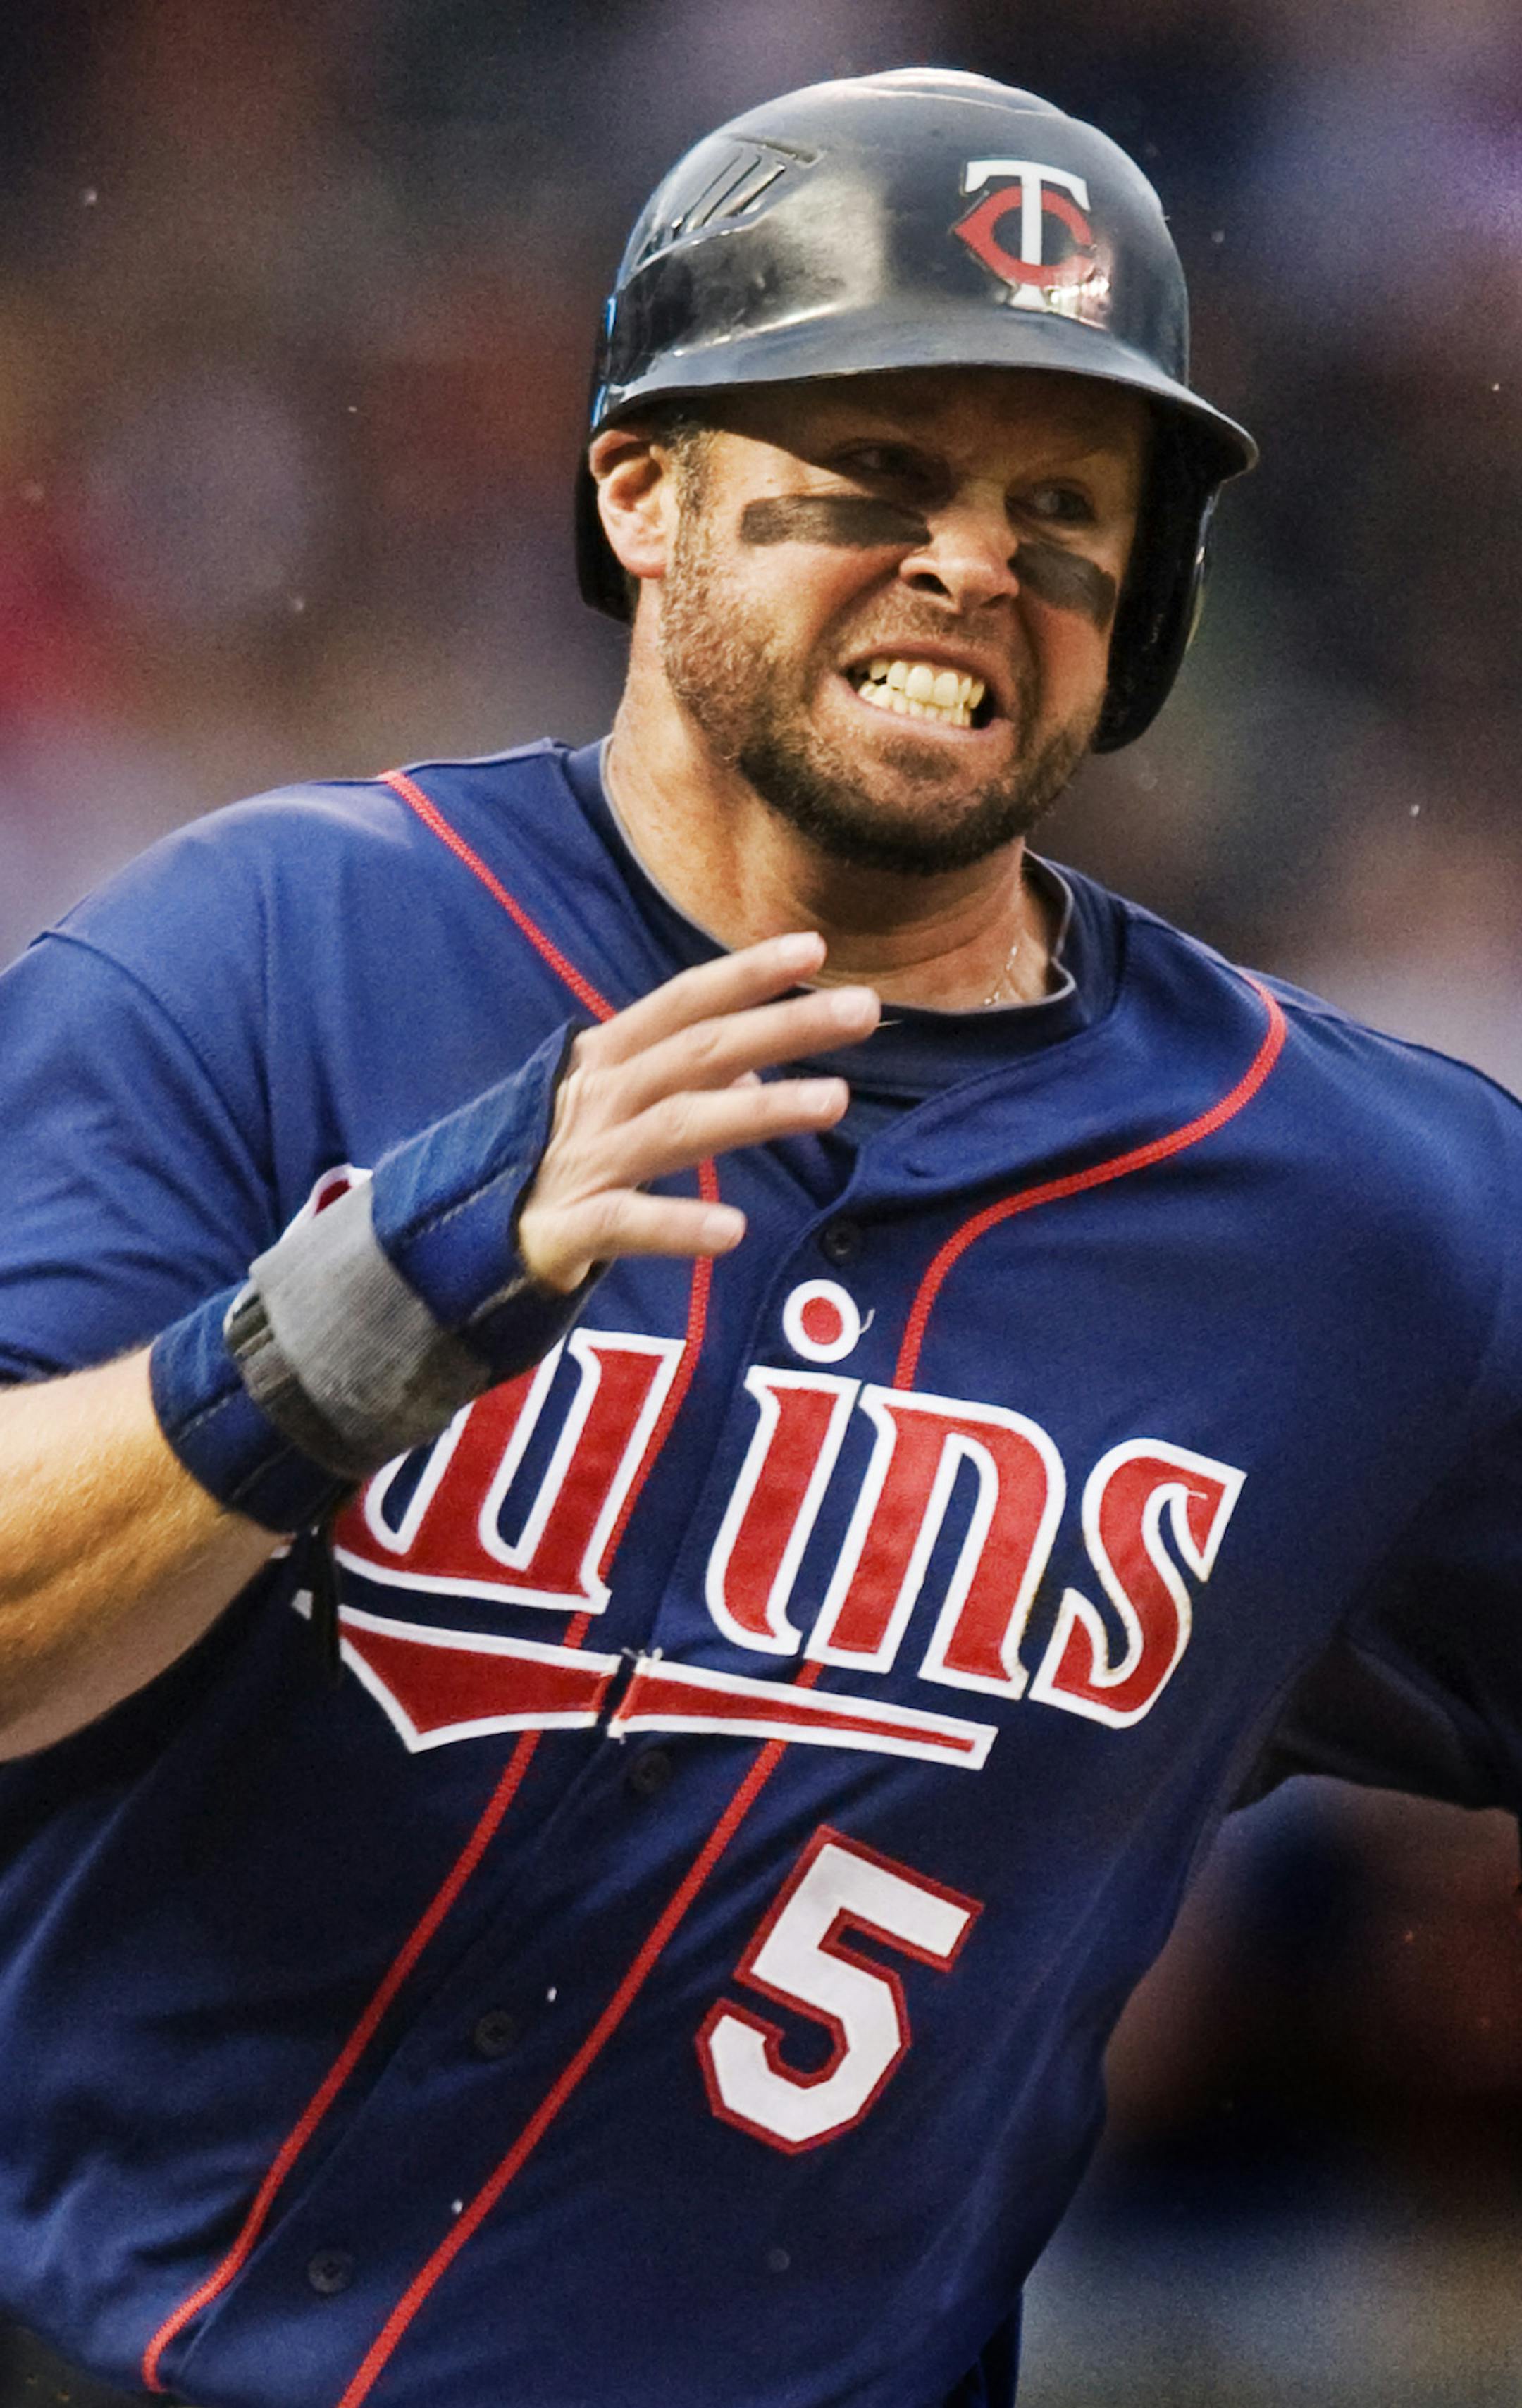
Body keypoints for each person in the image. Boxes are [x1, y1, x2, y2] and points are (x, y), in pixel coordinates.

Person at [0, 65, 1518, 2408]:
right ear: (641, 483)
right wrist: (347, 1320)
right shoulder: (267, 961)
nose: (973, 562)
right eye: (881, 472)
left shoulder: (1366, 1220)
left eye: (1060, 502)